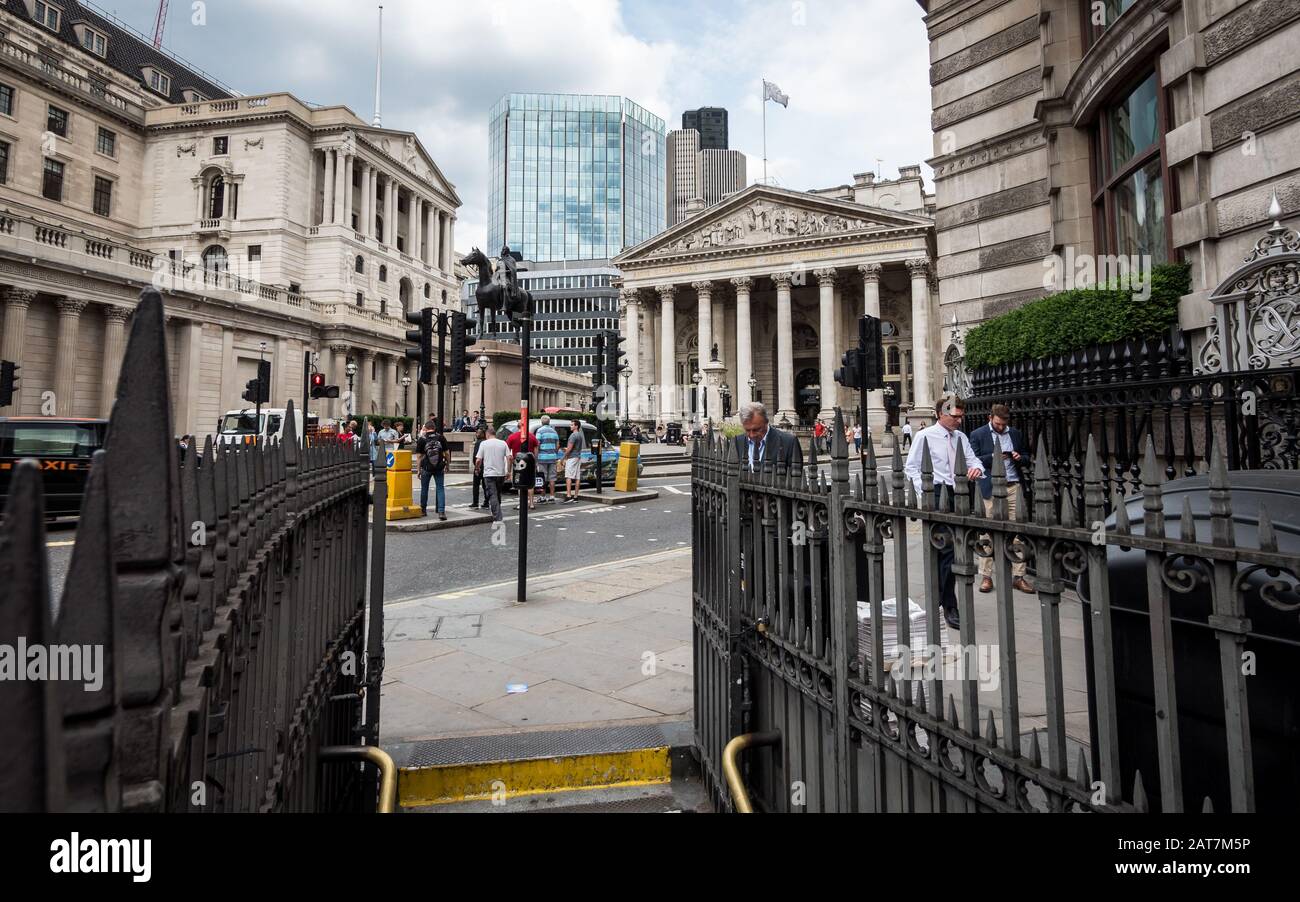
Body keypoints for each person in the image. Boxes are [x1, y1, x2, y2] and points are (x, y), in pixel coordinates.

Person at [903, 395, 984, 630]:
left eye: (961, 416)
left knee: (955, 549)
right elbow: (911, 467)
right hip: (937, 493)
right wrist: (925, 492)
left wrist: (976, 469)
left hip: (959, 493)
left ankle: (940, 600)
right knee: (947, 550)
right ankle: (949, 604)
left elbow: (973, 460)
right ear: (941, 414)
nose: (959, 420)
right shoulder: (924, 436)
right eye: (955, 416)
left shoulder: (961, 438)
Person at [968, 404, 1034, 594]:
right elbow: (974, 459)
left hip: (1013, 486)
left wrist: (1018, 457)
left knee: (1017, 531)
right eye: (997, 424)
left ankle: (1018, 577)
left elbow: (1027, 457)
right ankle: (986, 576)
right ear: (990, 418)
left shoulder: (1014, 434)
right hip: (991, 488)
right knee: (987, 532)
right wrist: (995, 456)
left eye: (1004, 424)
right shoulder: (978, 434)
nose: (1000, 427)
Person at [731, 402, 803, 472]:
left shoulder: (789, 442)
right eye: (747, 430)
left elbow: (796, 479)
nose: (752, 435)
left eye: (756, 430)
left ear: (766, 422)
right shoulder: (737, 442)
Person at [415, 419, 450, 520]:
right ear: (434, 428)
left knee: (424, 489)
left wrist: (418, 470)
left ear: (425, 428)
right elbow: (447, 453)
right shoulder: (441, 438)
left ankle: (423, 510)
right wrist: (447, 465)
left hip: (426, 467)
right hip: (439, 467)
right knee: (440, 488)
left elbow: (419, 457)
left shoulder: (422, 439)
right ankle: (441, 512)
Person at [475, 425, 511, 522]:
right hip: (500, 473)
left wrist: (477, 469)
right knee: (497, 493)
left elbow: (478, 460)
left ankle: (497, 516)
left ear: (487, 434)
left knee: (493, 495)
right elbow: (509, 458)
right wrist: (509, 471)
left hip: (489, 474)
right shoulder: (503, 443)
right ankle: (496, 510)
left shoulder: (484, 444)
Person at [506, 420, 540, 510]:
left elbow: (508, 452)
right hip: (530, 462)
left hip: (517, 463)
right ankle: (531, 503)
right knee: (530, 483)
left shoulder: (512, 437)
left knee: (519, 482)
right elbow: (536, 449)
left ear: (517, 427)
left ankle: (521, 503)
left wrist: (509, 469)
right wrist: (535, 461)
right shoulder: (532, 436)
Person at [535, 415, 562, 504]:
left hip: (542, 458)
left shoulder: (539, 431)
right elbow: (558, 445)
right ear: (549, 422)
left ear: (541, 422)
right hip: (553, 458)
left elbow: (537, 444)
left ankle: (542, 497)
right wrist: (554, 452)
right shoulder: (554, 431)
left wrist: (536, 456)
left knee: (543, 478)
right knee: (552, 478)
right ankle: (552, 496)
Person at [562, 418, 586, 502]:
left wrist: (563, 458)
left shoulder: (573, 435)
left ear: (576, 426)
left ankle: (568, 495)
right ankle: (576, 496)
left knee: (568, 476)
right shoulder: (580, 435)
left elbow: (569, 448)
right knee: (577, 477)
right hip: (578, 457)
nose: (570, 426)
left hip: (572, 457)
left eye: (572, 425)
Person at [470, 424, 489, 509]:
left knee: (476, 485)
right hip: (486, 466)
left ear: (481, 434)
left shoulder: (478, 443)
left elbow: (476, 456)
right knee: (485, 485)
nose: (476, 434)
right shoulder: (486, 442)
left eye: (478, 433)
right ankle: (486, 502)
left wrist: (476, 466)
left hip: (479, 466)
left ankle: (475, 502)